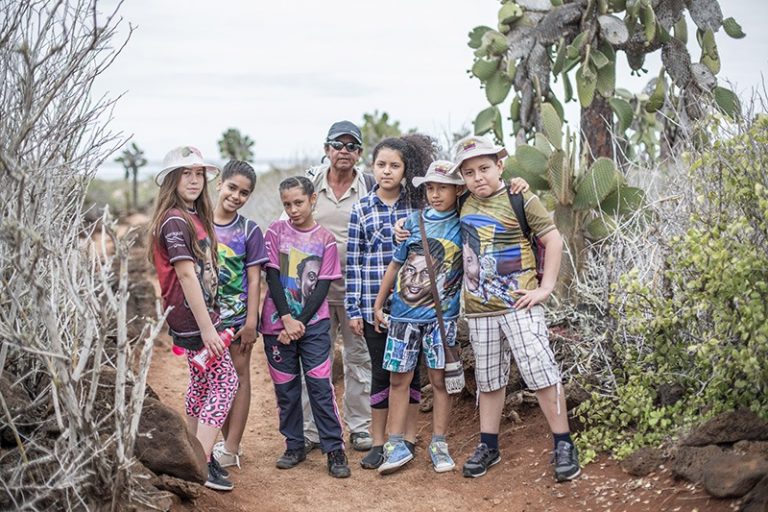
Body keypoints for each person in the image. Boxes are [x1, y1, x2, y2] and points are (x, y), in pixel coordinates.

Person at [451, 135, 580, 482]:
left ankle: (564, 443)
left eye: (484, 168)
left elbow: (553, 238)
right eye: (469, 172)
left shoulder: (519, 196)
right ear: (461, 178)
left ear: (500, 166)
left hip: (519, 304)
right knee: (489, 380)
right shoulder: (460, 202)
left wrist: (546, 287)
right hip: (479, 311)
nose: (478, 177)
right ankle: (488, 445)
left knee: (540, 370)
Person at [147, 146, 238, 491]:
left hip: (198, 316)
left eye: (199, 173)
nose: (194, 180)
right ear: (172, 179)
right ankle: (203, 460)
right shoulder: (174, 220)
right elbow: (186, 276)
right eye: (186, 173)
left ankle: (190, 454)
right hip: (194, 319)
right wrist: (207, 329)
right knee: (226, 382)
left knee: (202, 383)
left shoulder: (191, 216)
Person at [346, 134, 437, 469]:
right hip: (375, 309)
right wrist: (356, 310)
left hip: (412, 307)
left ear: (405, 169)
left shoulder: (418, 209)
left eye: (394, 166)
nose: (387, 171)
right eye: (381, 165)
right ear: (372, 167)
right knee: (381, 375)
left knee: (412, 374)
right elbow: (353, 263)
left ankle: (409, 438)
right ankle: (379, 441)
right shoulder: (361, 209)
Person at [372, 160, 464, 474]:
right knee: (399, 379)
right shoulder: (412, 221)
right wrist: (378, 303)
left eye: (443, 187)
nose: (435, 194)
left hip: (442, 319)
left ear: (457, 190)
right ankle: (395, 443)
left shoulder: (463, 224)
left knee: (439, 380)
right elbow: (396, 265)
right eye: (430, 187)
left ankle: (439, 443)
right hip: (403, 317)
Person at [260, 176, 351, 478]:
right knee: (286, 390)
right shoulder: (275, 231)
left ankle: (334, 449)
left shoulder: (325, 239)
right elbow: (272, 277)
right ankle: (294, 444)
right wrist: (286, 318)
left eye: (298, 202)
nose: (293, 209)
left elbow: (323, 285)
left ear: (313, 200)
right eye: (287, 204)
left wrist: (299, 322)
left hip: (313, 326)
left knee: (319, 386)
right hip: (276, 326)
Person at [301, 121, 376, 454]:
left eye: (351, 146)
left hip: (356, 293)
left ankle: (360, 428)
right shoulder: (310, 182)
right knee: (315, 361)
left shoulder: (371, 186)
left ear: (359, 153)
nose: (344, 151)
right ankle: (311, 429)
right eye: (338, 144)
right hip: (313, 291)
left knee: (359, 360)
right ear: (326, 148)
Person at [210, 161, 268, 470]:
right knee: (215, 379)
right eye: (232, 187)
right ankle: (225, 439)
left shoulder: (248, 230)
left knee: (239, 376)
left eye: (244, 193)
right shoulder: (199, 225)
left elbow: (256, 279)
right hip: (207, 321)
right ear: (219, 184)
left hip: (237, 321)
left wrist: (251, 322)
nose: (236, 196)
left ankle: (232, 447)